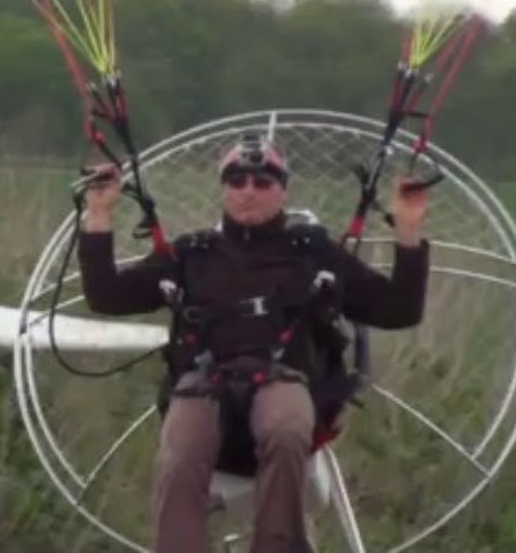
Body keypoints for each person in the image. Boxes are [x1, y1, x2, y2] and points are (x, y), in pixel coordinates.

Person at [75, 133, 431, 553]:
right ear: (223, 188)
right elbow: (107, 297)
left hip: (285, 381)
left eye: (263, 182)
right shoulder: (191, 254)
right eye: (237, 180)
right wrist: (99, 214)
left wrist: (408, 231)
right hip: (204, 385)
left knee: (285, 429)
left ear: (283, 191)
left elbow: (398, 310)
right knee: (180, 450)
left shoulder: (313, 253)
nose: (249, 191)